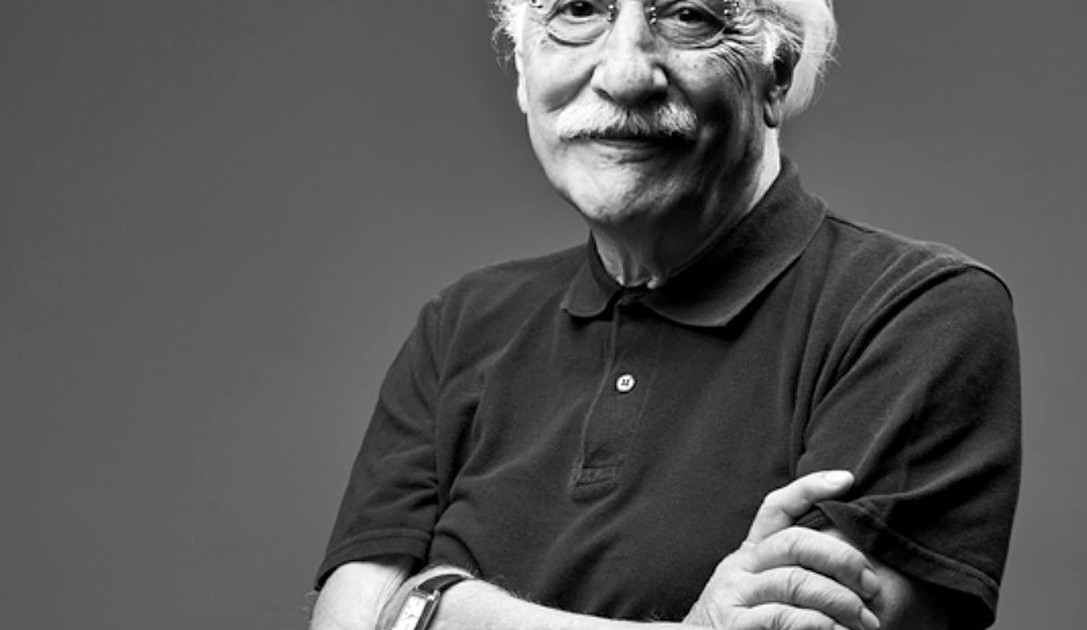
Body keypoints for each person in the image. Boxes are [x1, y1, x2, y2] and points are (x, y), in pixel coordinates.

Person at [310, 1, 1021, 629]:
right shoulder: (461, 324)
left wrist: (433, 607)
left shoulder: (915, 311)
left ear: (776, 74)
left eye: (688, 15)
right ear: (524, 71)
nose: (624, 75)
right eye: (577, 10)